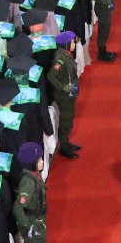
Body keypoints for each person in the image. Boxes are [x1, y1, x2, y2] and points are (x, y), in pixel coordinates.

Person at [14, 143, 54, 243]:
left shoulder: (33, 176)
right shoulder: (28, 182)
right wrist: (27, 226)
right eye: (39, 159)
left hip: (38, 220)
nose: (42, 161)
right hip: (32, 223)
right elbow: (18, 208)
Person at [47, 29, 80, 159]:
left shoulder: (66, 55)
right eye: (72, 42)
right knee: (66, 119)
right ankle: (63, 146)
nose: (74, 44)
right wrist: (63, 87)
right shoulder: (60, 59)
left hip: (70, 94)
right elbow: (51, 76)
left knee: (69, 118)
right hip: (64, 95)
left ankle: (66, 142)